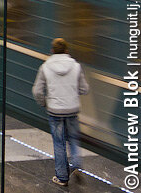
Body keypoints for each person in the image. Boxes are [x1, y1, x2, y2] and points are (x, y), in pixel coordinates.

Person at [33, 38, 89, 187]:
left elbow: (37, 91)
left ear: (52, 51)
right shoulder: (76, 66)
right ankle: (76, 165)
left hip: (55, 111)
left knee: (59, 143)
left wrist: (44, 102)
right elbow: (85, 89)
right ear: (66, 51)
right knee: (74, 139)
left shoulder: (45, 67)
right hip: (72, 110)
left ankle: (62, 177)